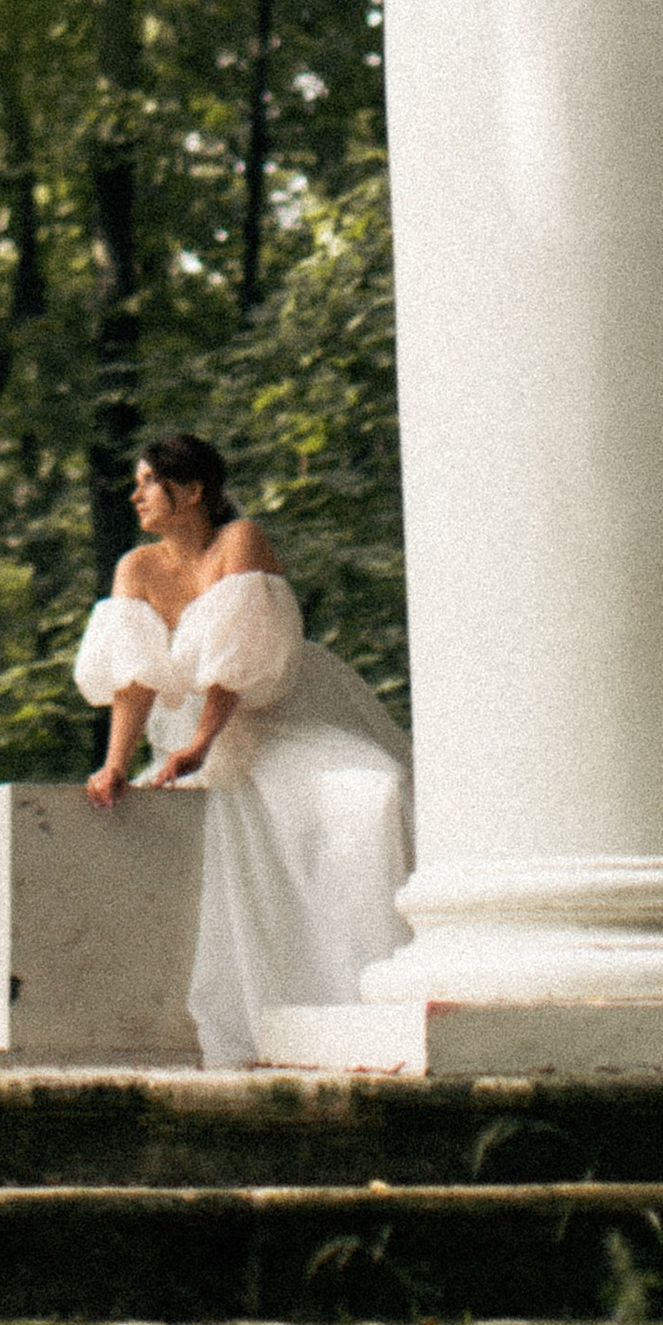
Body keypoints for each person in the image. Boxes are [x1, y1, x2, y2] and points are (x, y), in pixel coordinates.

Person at [74, 429, 411, 1069]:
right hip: (194, 737)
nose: (135, 493)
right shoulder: (137, 568)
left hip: (283, 714)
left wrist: (204, 743)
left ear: (193, 490)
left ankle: (374, 995)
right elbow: (134, 676)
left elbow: (239, 656)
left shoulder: (240, 540)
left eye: (150, 481)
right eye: (138, 481)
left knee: (375, 793)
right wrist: (116, 762)